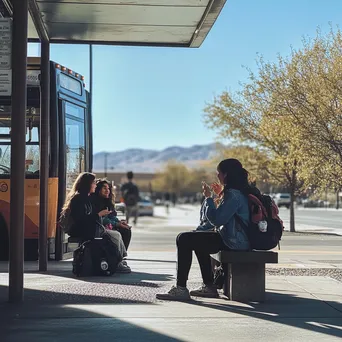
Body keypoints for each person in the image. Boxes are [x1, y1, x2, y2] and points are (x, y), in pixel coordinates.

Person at [156, 159, 251, 301]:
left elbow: (217, 219)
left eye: (219, 173)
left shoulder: (234, 195)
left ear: (226, 175)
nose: (217, 176)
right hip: (233, 238)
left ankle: (181, 288)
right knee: (198, 239)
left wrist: (208, 199)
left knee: (183, 239)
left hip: (234, 241)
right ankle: (209, 286)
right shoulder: (235, 193)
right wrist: (219, 196)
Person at [60, 172, 131, 273]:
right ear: (87, 184)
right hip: (82, 230)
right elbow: (81, 219)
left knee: (117, 234)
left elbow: (92, 217)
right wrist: (99, 215)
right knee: (116, 235)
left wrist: (103, 217)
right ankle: (118, 262)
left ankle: (119, 261)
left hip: (91, 227)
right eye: (93, 183)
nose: (95, 185)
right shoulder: (78, 199)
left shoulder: (87, 198)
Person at [92, 179, 132, 251]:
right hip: (100, 227)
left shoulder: (108, 201)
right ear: (98, 189)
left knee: (126, 230)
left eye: (108, 188)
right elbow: (103, 219)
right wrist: (117, 224)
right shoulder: (95, 202)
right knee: (117, 233)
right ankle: (117, 255)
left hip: (109, 225)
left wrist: (119, 222)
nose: (107, 190)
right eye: (104, 188)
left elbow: (111, 216)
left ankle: (121, 254)